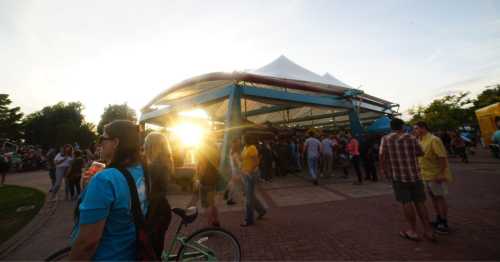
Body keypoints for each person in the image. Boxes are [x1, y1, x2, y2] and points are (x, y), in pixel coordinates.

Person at [69, 120, 148, 260]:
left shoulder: (105, 180)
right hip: (131, 252)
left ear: (116, 143)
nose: (99, 144)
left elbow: (87, 243)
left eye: (102, 139)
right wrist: (89, 187)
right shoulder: (143, 170)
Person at [379, 118, 435, 242]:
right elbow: (421, 153)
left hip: (398, 176)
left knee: (406, 202)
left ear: (391, 127)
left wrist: (384, 170)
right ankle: (428, 231)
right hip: (415, 175)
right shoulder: (412, 138)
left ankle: (413, 231)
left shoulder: (386, 139)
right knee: (420, 202)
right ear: (402, 126)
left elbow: (382, 156)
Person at [414, 121, 453, 234]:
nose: (414, 131)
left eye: (416, 128)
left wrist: (440, 173)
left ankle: (444, 222)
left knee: (439, 198)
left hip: (435, 175)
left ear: (423, 128)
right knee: (433, 198)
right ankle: (439, 218)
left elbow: (442, 157)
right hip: (426, 175)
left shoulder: (434, 140)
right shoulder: (420, 140)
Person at [143, 132, 174, 253]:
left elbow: (149, 191)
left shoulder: (154, 166)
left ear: (151, 146)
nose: (143, 147)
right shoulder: (165, 161)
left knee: (153, 251)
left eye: (146, 144)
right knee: (156, 249)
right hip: (162, 209)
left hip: (156, 212)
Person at [240, 135, 266, 227]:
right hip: (245, 174)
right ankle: (262, 210)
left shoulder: (252, 148)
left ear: (246, 139)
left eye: (242, 138)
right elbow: (244, 160)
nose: (241, 139)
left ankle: (249, 219)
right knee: (250, 195)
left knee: (248, 198)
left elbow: (256, 161)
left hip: (250, 174)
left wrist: (250, 171)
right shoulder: (245, 148)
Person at [196, 137, 221, 227]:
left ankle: (209, 225)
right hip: (214, 178)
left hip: (205, 180)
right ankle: (216, 221)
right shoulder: (216, 150)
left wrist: (199, 178)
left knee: (207, 205)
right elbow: (218, 164)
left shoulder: (202, 151)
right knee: (212, 202)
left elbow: (201, 165)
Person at [225, 138, 243, 205]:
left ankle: (227, 192)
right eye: (239, 143)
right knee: (234, 185)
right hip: (236, 170)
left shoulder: (231, 151)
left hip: (233, 169)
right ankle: (229, 199)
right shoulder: (236, 154)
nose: (240, 143)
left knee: (232, 183)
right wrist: (242, 163)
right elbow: (239, 164)